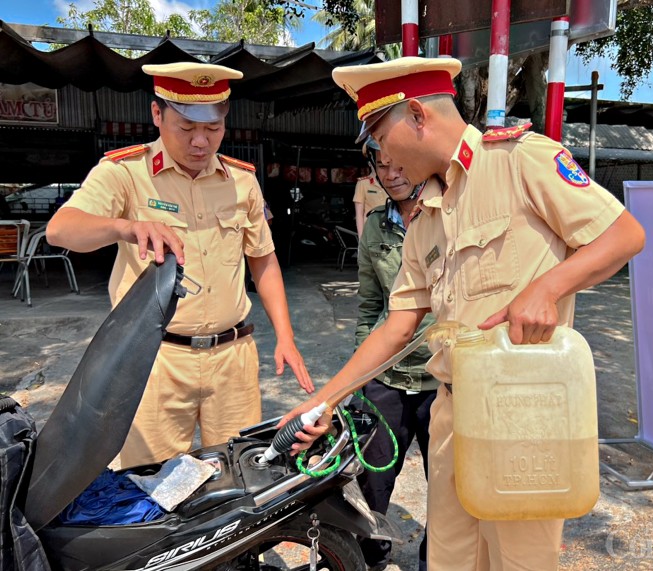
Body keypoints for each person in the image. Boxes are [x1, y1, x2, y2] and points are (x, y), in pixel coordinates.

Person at [281, 57, 646, 570]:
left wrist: (548, 286)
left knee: (519, 562)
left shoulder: (522, 162)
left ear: (415, 114)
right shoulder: (425, 217)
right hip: (451, 414)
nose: (381, 158)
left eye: (379, 139)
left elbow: (625, 235)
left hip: (524, 417)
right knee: (450, 561)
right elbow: (398, 325)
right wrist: (323, 400)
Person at [47, 62, 314, 468]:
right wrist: (126, 226)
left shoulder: (241, 181)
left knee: (240, 475)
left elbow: (263, 261)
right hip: (156, 360)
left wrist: (286, 336)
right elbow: (61, 230)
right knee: (150, 485)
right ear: (157, 115)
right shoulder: (126, 172)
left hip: (232, 358)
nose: (201, 142)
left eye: (214, 128)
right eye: (187, 128)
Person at [356, 136, 437, 571]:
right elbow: (369, 309)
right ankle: (370, 557)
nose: (392, 174)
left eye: (399, 163)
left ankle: (435, 561)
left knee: (446, 487)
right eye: (382, 166)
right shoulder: (374, 227)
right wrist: (358, 381)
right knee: (371, 479)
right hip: (386, 378)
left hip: (439, 380)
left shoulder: (448, 218)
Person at [353, 147, 388, 237]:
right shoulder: (363, 183)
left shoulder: (390, 182)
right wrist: (361, 238)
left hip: (389, 231)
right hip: (370, 232)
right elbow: (359, 214)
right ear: (370, 164)